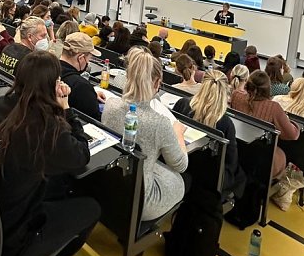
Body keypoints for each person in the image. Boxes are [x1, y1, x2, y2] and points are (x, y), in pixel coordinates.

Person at [0, 51, 100, 256]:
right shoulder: (42, 128)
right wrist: (65, 109)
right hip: (13, 229)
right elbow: (81, 154)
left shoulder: (1, 104)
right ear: (51, 85)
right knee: (90, 207)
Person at [102, 47, 188, 220]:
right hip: (141, 199)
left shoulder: (110, 105)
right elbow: (180, 165)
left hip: (109, 185)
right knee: (181, 180)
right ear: (157, 83)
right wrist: (178, 133)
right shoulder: (160, 123)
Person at [174, 70, 245, 198]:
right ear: (225, 93)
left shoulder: (183, 104)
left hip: (183, 163)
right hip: (210, 177)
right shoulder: (226, 123)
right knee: (241, 174)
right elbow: (231, 161)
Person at [230, 71, 299, 177]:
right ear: (268, 88)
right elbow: (293, 135)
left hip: (236, 150)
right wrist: (291, 121)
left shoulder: (236, 95)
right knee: (281, 155)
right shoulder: (274, 108)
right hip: (260, 159)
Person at [58, 32, 104, 120]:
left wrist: (91, 95)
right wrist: (88, 94)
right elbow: (95, 118)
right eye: (89, 58)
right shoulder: (81, 85)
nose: (88, 62)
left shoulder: (49, 71)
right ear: (81, 58)